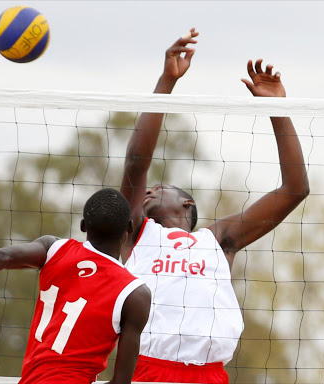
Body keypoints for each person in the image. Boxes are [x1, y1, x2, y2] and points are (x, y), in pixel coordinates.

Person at [120, 29, 310, 383]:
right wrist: (167, 82)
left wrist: (278, 110)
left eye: (158, 188)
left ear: (186, 204)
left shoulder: (218, 239)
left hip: (210, 375)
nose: (147, 191)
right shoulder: (135, 233)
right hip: (149, 369)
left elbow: (295, 189)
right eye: (147, 189)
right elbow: (135, 163)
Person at [0, 188, 151, 384]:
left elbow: (0, 257)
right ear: (129, 228)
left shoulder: (54, 249)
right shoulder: (135, 293)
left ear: (83, 226)